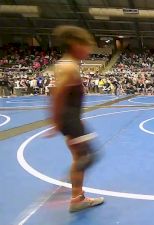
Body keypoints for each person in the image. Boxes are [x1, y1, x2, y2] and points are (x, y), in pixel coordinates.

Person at [51, 25, 104, 213]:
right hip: (70, 120)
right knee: (87, 156)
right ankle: (75, 196)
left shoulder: (67, 64)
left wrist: (60, 121)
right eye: (86, 46)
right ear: (75, 45)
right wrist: (56, 122)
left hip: (72, 119)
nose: (89, 50)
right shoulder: (68, 66)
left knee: (80, 156)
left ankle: (77, 196)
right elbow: (57, 95)